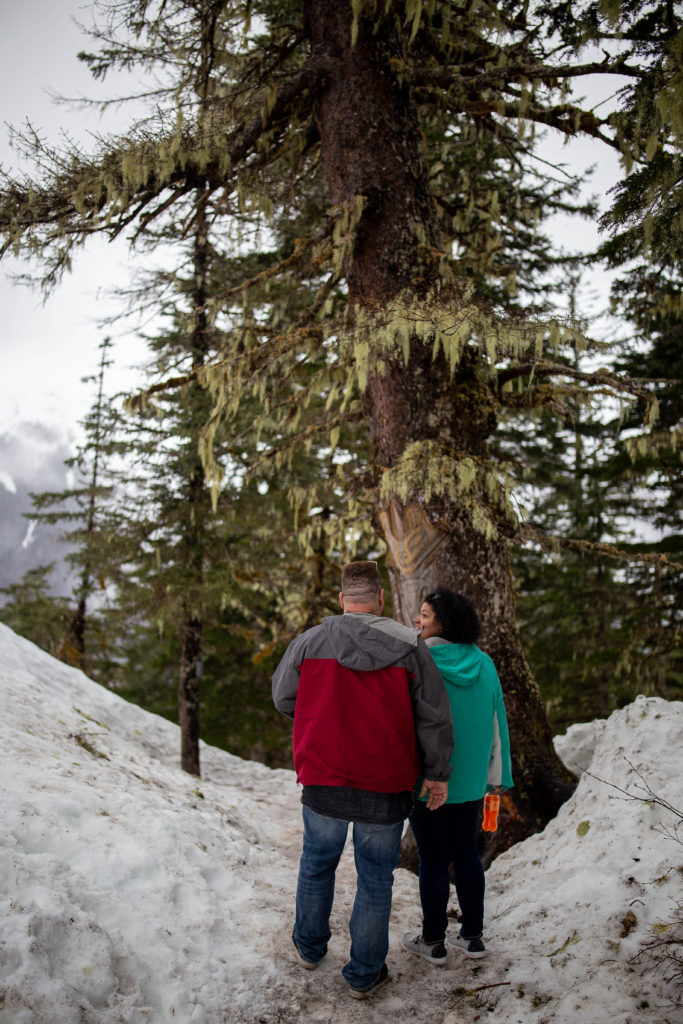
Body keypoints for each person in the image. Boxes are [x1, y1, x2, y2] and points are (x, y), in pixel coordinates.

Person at [272, 561, 454, 1000]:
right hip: (385, 781)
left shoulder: (310, 642)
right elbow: (433, 716)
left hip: (323, 775)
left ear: (342, 600)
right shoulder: (411, 646)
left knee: (317, 864)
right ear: (380, 599)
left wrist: (322, 719)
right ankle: (364, 973)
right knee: (375, 878)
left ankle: (310, 948)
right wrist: (436, 773)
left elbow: (282, 697)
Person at [402, 587, 513, 966]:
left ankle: (432, 939)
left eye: (425, 615)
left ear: (442, 623)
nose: (419, 621)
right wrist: (497, 775)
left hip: (427, 779)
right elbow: (498, 723)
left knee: (432, 857)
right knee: (466, 853)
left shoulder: (418, 659)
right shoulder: (483, 663)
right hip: (468, 781)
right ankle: (472, 936)